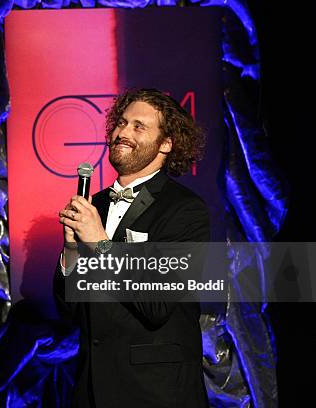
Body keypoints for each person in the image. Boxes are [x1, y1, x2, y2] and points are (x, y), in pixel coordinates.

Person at [54, 88, 210, 408]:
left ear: (166, 144)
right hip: (91, 388)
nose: (123, 132)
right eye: (122, 123)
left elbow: (156, 304)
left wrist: (100, 243)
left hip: (154, 391)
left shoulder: (185, 210)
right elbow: (70, 310)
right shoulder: (93, 205)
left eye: (139, 126)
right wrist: (71, 252)